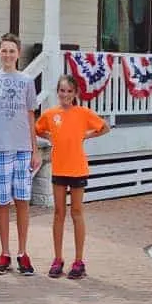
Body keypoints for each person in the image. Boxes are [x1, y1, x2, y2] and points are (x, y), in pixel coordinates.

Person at [35, 74, 110, 279]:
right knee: (59, 213)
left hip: (77, 168)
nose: (65, 94)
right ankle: (57, 259)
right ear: (57, 92)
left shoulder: (83, 113)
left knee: (77, 212)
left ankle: (79, 261)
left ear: (75, 93)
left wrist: (88, 135)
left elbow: (104, 127)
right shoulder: (51, 114)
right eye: (62, 90)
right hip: (59, 168)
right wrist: (48, 136)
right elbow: (37, 128)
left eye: (69, 91)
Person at [0, 33, 41, 276]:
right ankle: (4, 252)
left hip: (23, 149)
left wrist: (35, 150)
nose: (7, 55)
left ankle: (22, 252)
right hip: (1, 149)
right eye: (4, 50)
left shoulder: (26, 81)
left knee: (22, 201)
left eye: (12, 51)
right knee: (3, 202)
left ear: (18, 54)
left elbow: (30, 115)